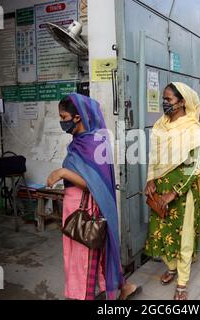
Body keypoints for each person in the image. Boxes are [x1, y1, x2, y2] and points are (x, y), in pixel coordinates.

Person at [46, 94, 138, 300]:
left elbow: (93, 184)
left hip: (85, 207)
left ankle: (84, 295)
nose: (62, 121)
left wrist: (62, 173)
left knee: (82, 257)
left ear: (77, 117)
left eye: (64, 116)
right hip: (73, 206)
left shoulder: (95, 142)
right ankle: (121, 287)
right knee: (80, 255)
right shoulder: (78, 141)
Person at [145, 82, 200, 301]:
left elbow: (195, 167)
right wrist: (150, 179)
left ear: (182, 101)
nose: (164, 103)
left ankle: (182, 282)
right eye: (164, 99)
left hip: (181, 193)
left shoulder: (192, 128)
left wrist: (173, 193)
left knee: (183, 238)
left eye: (169, 99)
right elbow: (153, 158)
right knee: (163, 233)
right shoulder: (160, 125)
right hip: (159, 190)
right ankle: (171, 268)